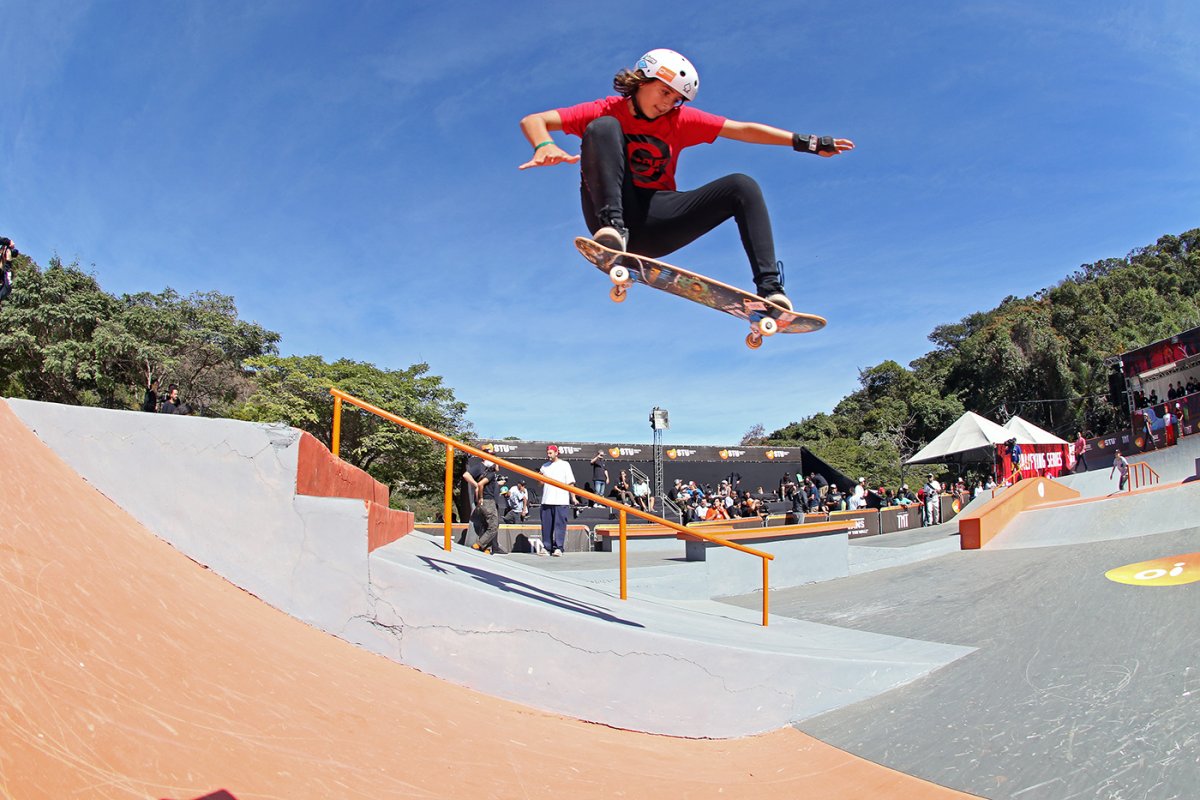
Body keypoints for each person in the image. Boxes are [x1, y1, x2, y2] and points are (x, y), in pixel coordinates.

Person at [519, 48, 854, 310]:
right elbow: (534, 119)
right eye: (663, 92)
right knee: (603, 127)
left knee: (742, 185)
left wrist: (807, 142)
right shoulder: (605, 108)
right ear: (641, 80)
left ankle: (770, 290)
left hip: (656, 221)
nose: (667, 104)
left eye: (675, 99)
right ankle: (613, 231)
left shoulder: (680, 120)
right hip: (610, 215)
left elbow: (742, 129)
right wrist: (544, 144)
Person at [538, 445, 577, 556]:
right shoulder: (544, 466)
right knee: (546, 526)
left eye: (550, 453)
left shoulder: (565, 465)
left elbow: (570, 483)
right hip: (546, 500)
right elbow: (540, 484)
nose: (548, 455)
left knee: (560, 525)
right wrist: (539, 478)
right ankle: (546, 547)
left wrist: (573, 497)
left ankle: (558, 547)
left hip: (561, 500)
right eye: (547, 453)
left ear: (556, 453)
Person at [470, 458, 502, 555]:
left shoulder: (487, 475)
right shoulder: (491, 474)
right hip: (489, 502)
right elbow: (480, 484)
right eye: (497, 464)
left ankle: (487, 548)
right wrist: (481, 498)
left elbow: (479, 486)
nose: (498, 466)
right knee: (493, 527)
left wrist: (479, 499)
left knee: (487, 525)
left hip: (485, 502)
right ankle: (478, 544)